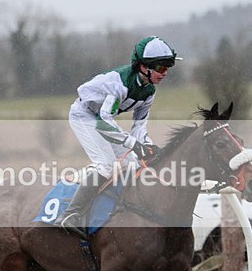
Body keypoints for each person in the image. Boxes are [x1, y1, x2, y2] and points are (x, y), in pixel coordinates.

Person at [55, 36, 181, 238]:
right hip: (84, 115)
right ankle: (70, 215)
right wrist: (134, 144)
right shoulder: (119, 84)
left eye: (168, 68)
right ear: (143, 66)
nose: (164, 73)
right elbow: (103, 124)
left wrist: (148, 146)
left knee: (130, 163)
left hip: (102, 118)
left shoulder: (149, 92)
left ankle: (119, 207)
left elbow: (139, 127)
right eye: (160, 68)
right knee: (106, 165)